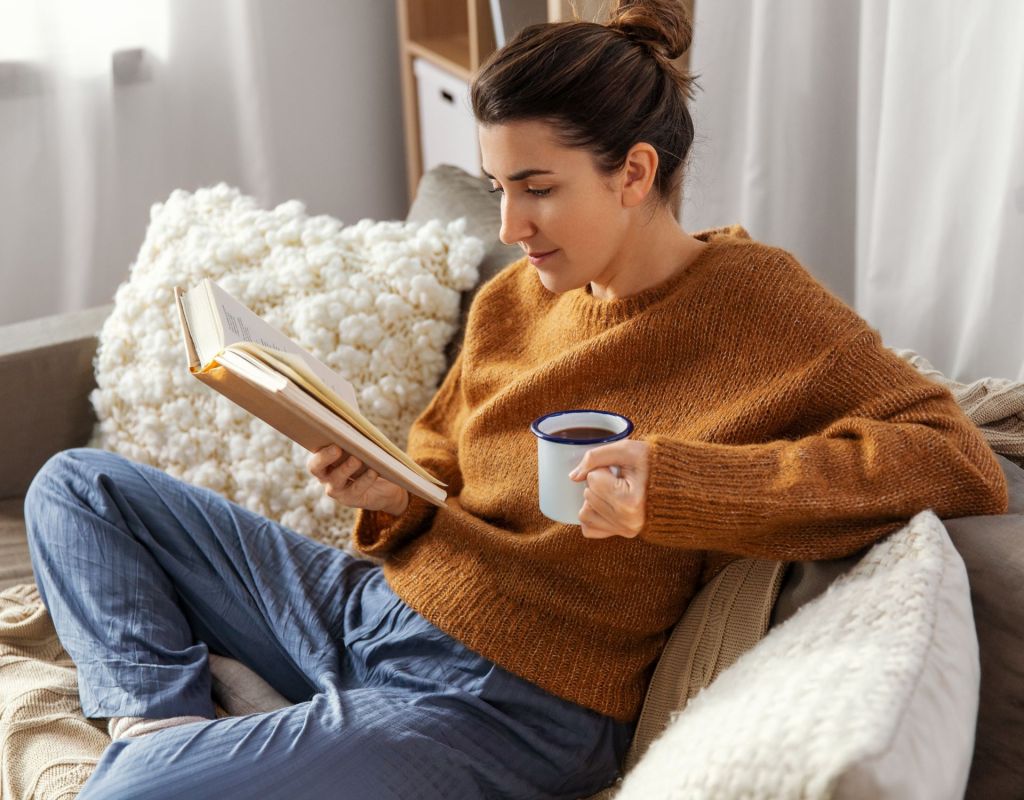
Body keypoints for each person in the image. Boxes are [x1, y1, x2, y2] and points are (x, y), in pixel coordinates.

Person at [24, 1, 1007, 798]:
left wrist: (679, 485)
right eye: (497, 187)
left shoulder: (755, 304)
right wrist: (388, 494)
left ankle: (200, 748)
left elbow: (951, 452)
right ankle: (171, 717)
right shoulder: (513, 298)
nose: (510, 225)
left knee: (130, 793)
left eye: (535, 188)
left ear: (634, 172)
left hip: (506, 700)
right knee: (77, 488)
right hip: (372, 604)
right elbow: (441, 474)